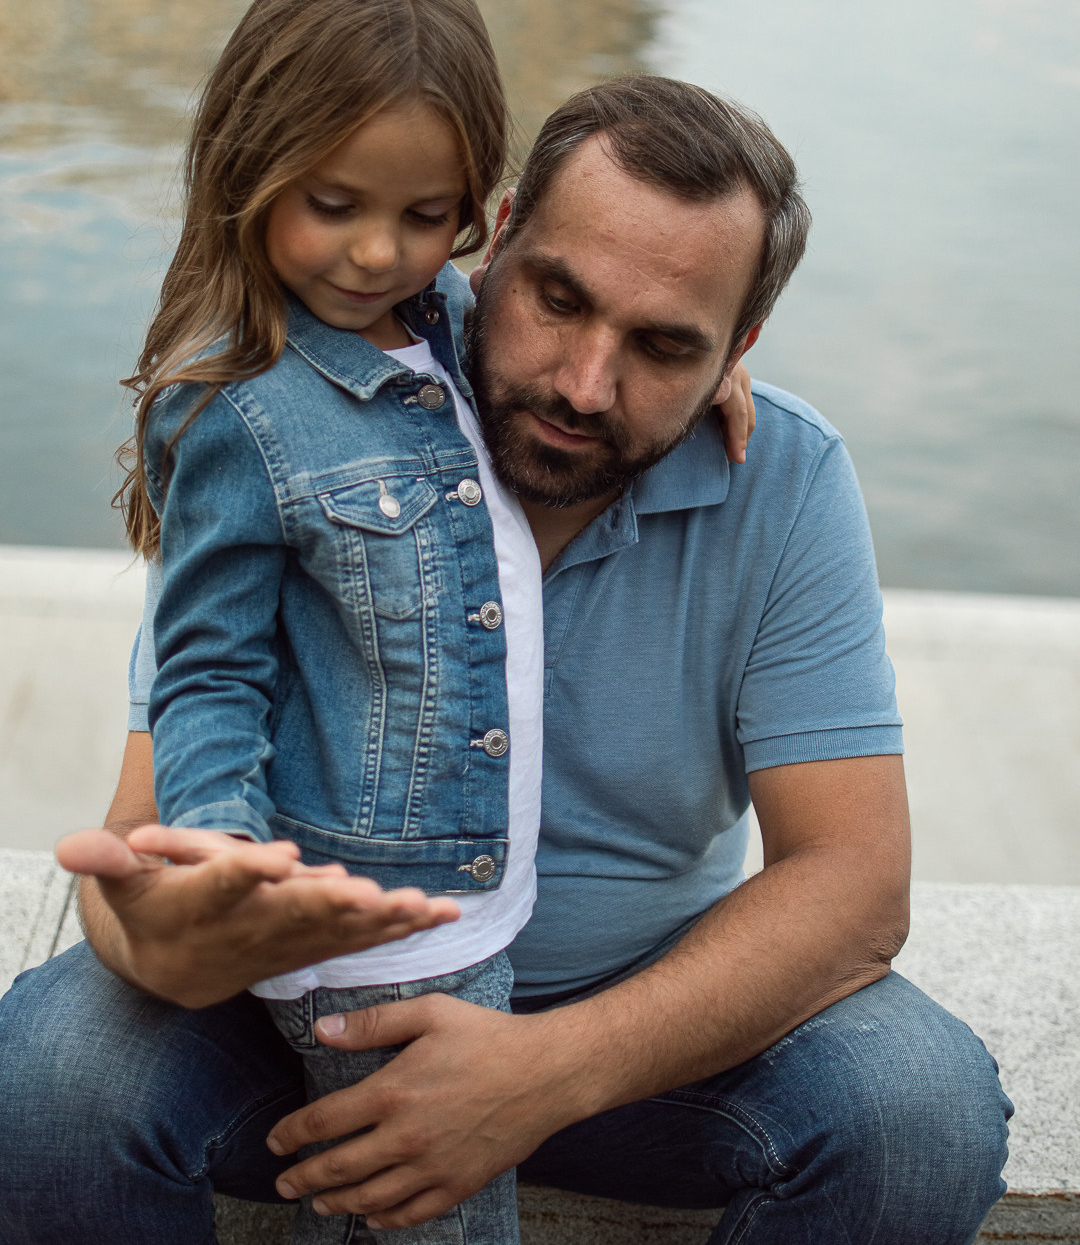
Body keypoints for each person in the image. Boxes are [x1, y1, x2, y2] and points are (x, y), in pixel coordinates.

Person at [0, 76, 1010, 1245]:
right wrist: (157, 933)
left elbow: (852, 885)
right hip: (303, 1023)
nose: (586, 383)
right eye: (560, 298)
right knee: (54, 1070)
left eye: (663, 345)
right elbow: (144, 841)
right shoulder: (312, 428)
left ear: (739, 342)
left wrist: (542, 1071)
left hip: (637, 1038)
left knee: (919, 1112)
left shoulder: (783, 476)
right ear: (496, 236)